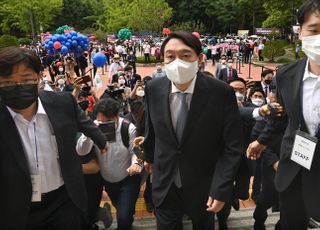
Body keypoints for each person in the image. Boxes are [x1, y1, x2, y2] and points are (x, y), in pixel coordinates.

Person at [142, 31, 243, 230]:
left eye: (185, 55)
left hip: (204, 186)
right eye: (170, 56)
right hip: (166, 183)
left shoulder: (221, 92)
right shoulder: (153, 88)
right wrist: (149, 157)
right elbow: (151, 129)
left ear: (200, 58)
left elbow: (232, 146)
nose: (177, 61)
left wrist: (222, 187)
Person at [0, 47, 108, 229]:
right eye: (8, 83)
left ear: (38, 77)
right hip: (17, 208)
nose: (19, 86)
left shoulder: (62, 102)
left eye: (26, 80)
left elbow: (82, 121)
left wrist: (100, 138)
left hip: (64, 200)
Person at [247, 0, 320, 228]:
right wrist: (261, 141)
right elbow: (283, 115)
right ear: (300, 32)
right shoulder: (287, 75)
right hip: (296, 165)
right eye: (314, 30)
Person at [77, 98, 142, 230]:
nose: (104, 124)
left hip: (128, 179)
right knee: (120, 208)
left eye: (108, 122)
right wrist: (91, 133)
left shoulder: (128, 128)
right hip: (107, 181)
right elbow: (81, 151)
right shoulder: (93, 127)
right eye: (101, 121)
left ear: (116, 116)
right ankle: (128, 214)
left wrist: (135, 163)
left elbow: (134, 150)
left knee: (123, 218)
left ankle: (126, 219)